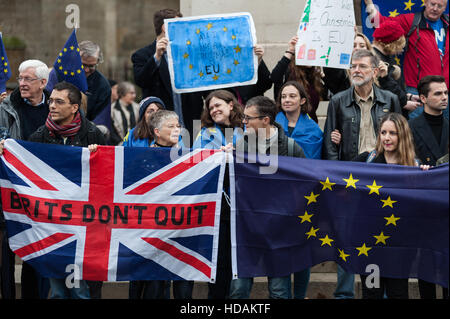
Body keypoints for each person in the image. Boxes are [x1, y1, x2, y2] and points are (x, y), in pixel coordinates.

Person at [323, 49, 402, 299]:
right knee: (350, 238)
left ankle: (382, 292)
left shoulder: (390, 99)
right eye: (353, 66)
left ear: (375, 71)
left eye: (362, 66)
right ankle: (345, 294)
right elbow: (330, 145)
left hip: (384, 180)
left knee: (382, 238)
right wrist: (338, 182)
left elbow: (400, 136)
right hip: (352, 180)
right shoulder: (338, 100)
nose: (356, 70)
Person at [230, 96, 305, 299]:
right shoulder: (241, 146)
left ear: (265, 120)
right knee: (239, 289)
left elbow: (305, 186)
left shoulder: (291, 148)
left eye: (248, 118)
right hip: (247, 227)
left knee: (279, 291)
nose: (243, 122)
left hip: (279, 228)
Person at [354, 112, 430, 299]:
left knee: (399, 293)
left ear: (402, 135)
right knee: (372, 294)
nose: (387, 138)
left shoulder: (414, 165)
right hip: (370, 246)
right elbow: (334, 176)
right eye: (383, 132)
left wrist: (427, 177)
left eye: (393, 133)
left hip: (400, 245)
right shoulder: (366, 160)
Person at [0, 59, 51, 299]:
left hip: (42, 193)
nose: (21, 83)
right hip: (10, 190)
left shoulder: (56, 106)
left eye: (27, 79)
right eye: (20, 78)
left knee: (36, 250)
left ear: (43, 82)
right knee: (6, 252)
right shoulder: (6, 108)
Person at [192, 90, 244, 299]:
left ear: (231, 105)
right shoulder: (203, 133)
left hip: (243, 208)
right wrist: (215, 158)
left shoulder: (247, 130)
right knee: (220, 264)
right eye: (210, 108)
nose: (213, 110)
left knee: (239, 267)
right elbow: (194, 164)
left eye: (218, 105)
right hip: (217, 210)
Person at [365, 0, 449, 120]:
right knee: (415, 132)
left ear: (445, 7)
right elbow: (380, 24)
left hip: (446, 91)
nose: (435, 8)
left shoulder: (447, 23)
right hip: (418, 90)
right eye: (432, 4)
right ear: (425, 3)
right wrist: (369, 4)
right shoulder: (411, 20)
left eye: (439, 6)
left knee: (445, 133)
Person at [132, 8, 206, 142]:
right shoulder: (142, 55)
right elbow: (141, 80)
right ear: (165, 28)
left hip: (191, 126)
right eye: (179, 25)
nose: (183, 29)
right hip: (161, 130)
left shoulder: (188, 54)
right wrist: (156, 57)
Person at [409, 75, 449, 299]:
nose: (444, 97)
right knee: (426, 266)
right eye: (438, 93)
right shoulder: (411, 127)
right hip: (422, 205)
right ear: (423, 98)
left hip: (446, 203)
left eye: (445, 93)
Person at [371, 19, 421, 119]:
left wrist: (407, 96)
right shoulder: (376, 59)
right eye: (399, 45)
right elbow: (386, 85)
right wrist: (404, 102)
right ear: (391, 43)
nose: (401, 50)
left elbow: (393, 85)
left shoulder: (385, 57)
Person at [271, 35, 326, 122]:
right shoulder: (289, 71)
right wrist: (290, 50)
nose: (309, 54)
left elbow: (334, 91)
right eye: (306, 50)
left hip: (310, 129)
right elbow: (274, 77)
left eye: (312, 51)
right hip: (288, 127)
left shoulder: (315, 75)